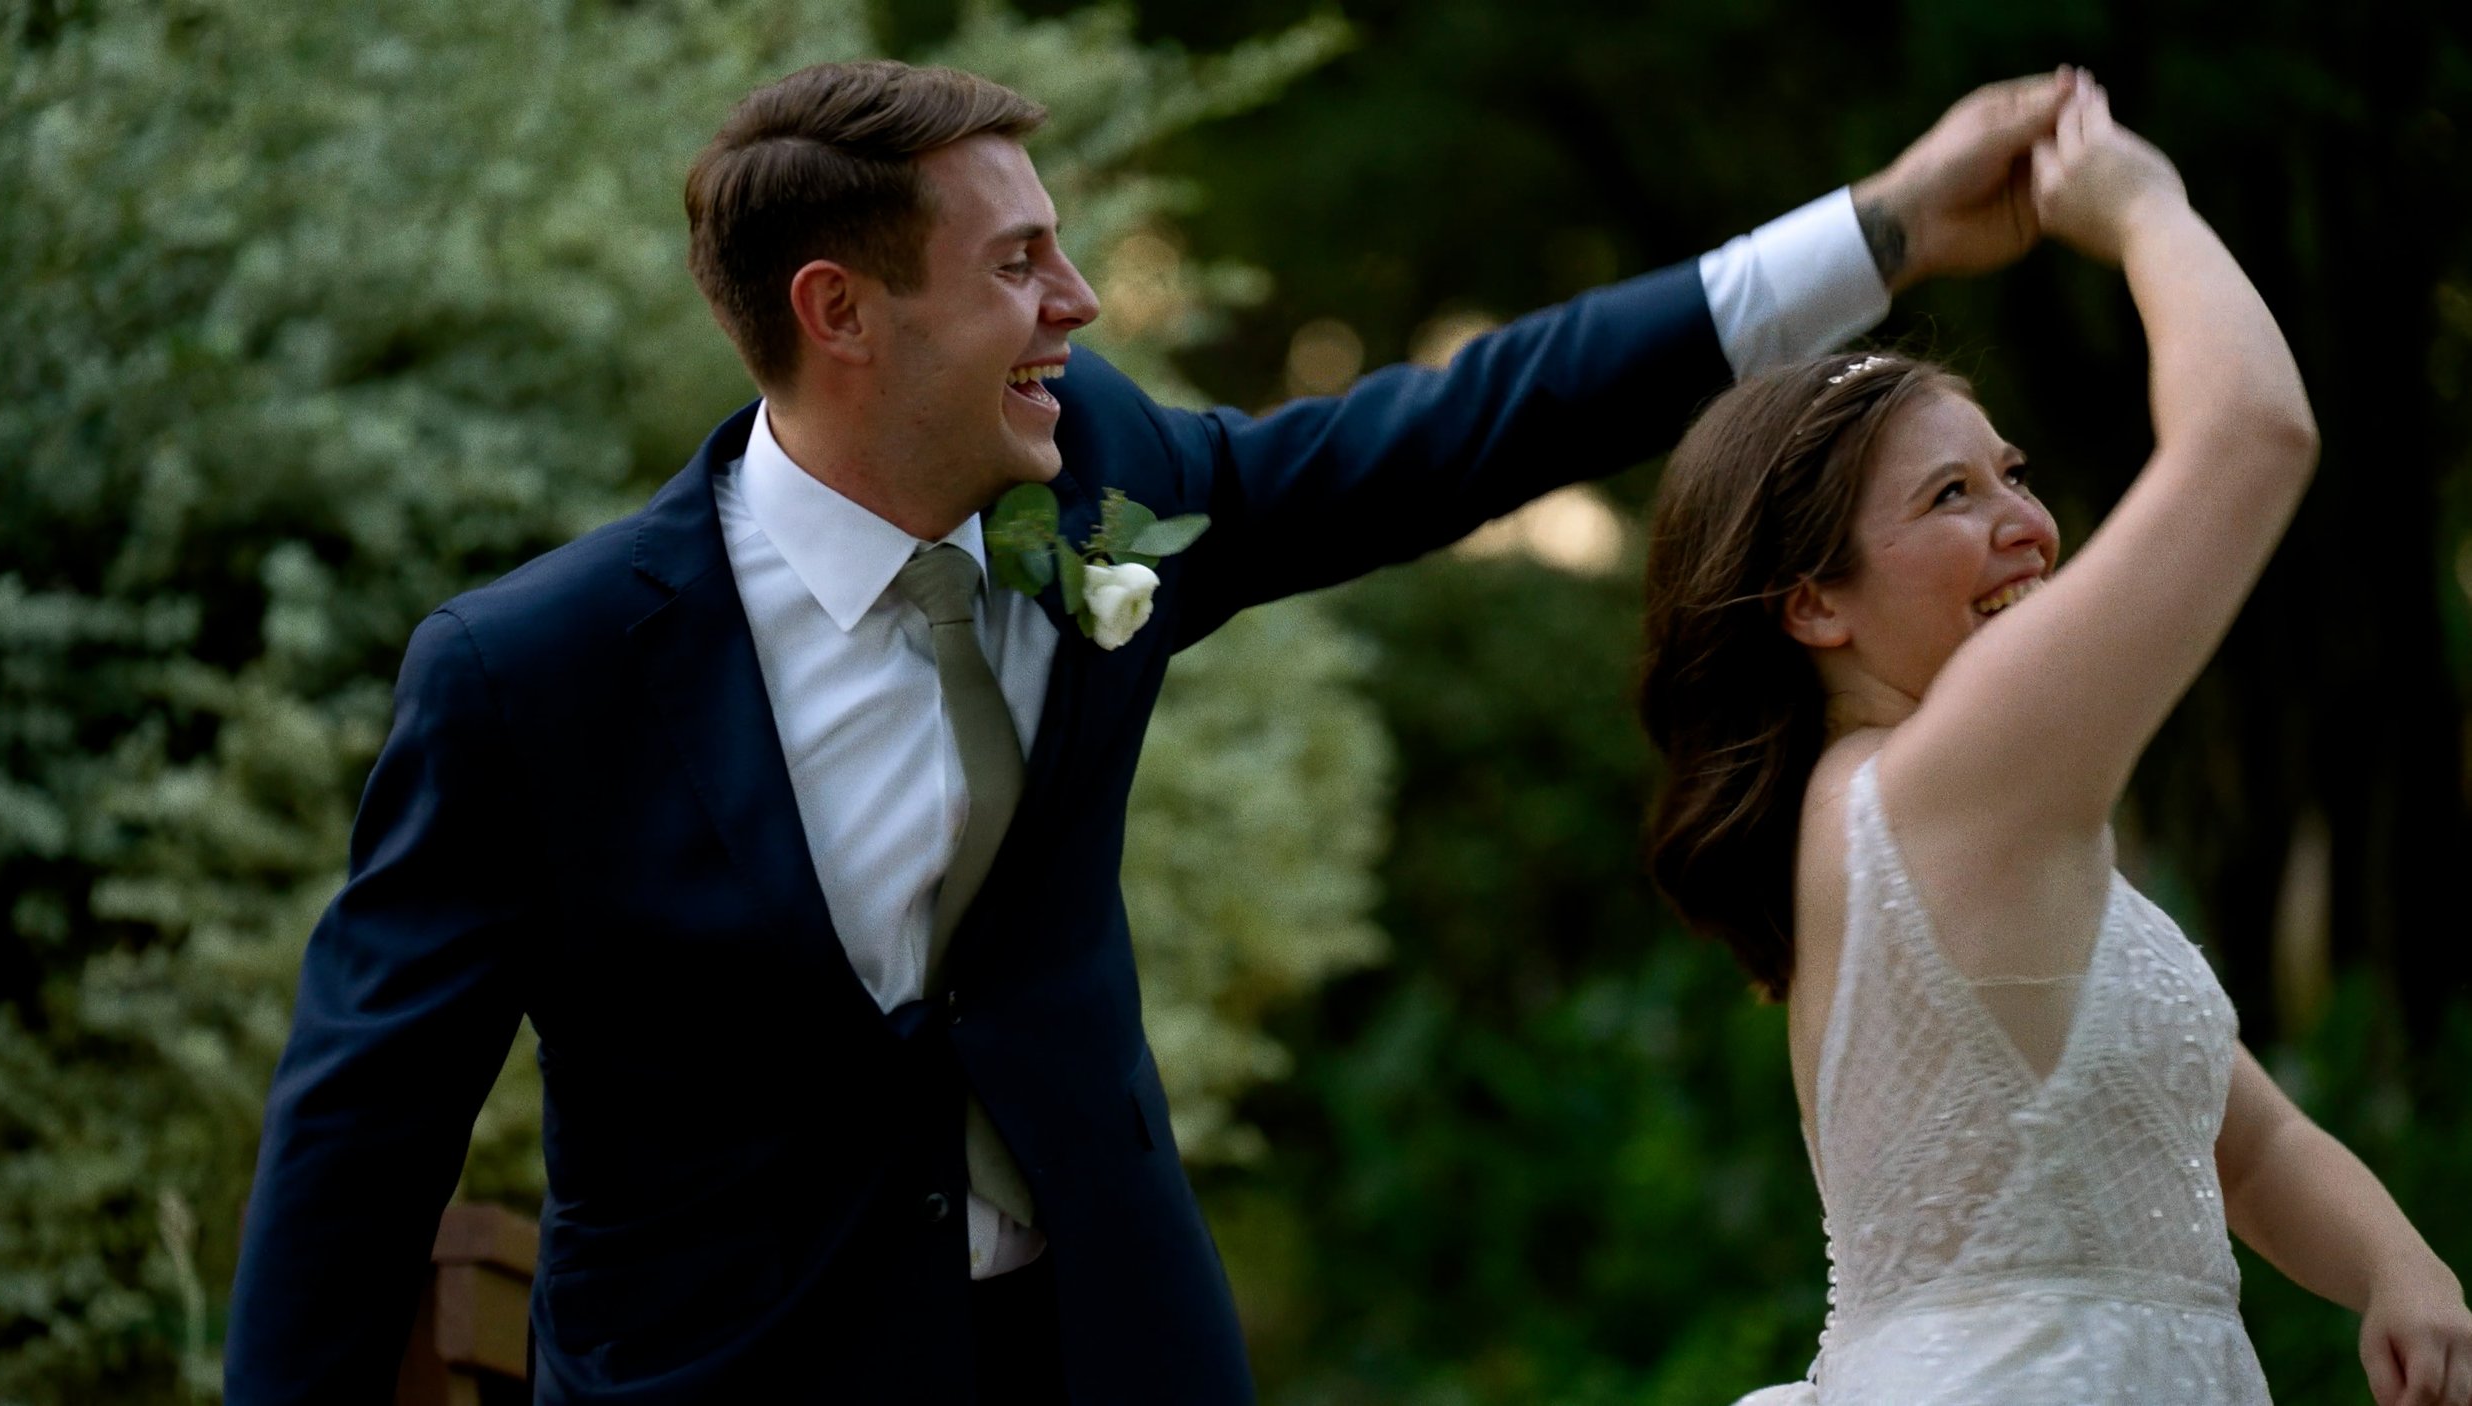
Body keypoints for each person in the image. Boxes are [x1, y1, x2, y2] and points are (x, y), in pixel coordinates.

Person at [225, 58, 2077, 1405]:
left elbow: (1460, 429)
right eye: (1022, 263)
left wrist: (1886, 227)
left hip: (1111, 1352)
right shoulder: (532, 676)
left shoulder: (1100, 470)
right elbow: (358, 1136)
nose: (1082, 301)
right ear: (839, 312)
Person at [1640, 78, 2472, 1405]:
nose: (2025, 520)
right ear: (1814, 602)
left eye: (2013, 472)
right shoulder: (1941, 779)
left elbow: (2242, 1143)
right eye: (1952, 494)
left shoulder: (1981, 817)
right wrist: (2140, 205)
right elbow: (2250, 432)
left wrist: (2399, 1263)